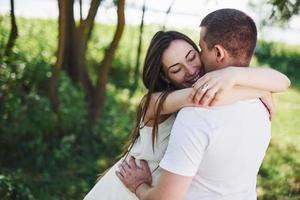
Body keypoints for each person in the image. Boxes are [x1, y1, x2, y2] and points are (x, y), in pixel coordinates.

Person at [84, 29, 290, 199]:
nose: (190, 70)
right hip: (121, 191)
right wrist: (260, 88)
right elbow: (203, 96)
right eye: (176, 69)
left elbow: (283, 81)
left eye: (192, 57)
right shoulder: (153, 102)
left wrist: (233, 74)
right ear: (165, 77)